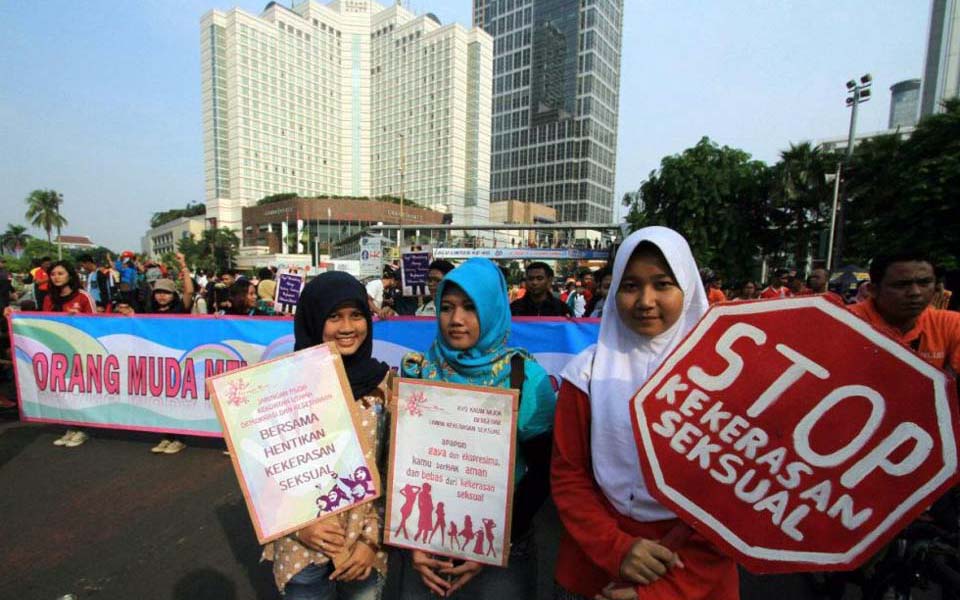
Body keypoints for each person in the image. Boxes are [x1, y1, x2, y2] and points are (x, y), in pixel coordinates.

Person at [552, 227, 738, 600]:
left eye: (663, 284)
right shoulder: (586, 374)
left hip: (693, 574)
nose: (645, 301)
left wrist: (660, 590)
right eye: (631, 285)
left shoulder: (728, 381)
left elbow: (735, 501)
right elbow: (568, 474)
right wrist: (616, 548)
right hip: (597, 568)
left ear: (687, 288)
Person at [397, 258, 557, 599]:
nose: (456, 320)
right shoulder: (417, 371)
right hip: (427, 547)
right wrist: (408, 538)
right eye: (447, 307)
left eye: (471, 308)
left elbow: (544, 471)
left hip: (502, 550)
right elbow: (403, 464)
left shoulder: (525, 378)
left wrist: (491, 541)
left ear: (493, 309)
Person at [262, 271, 391, 599]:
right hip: (302, 548)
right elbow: (264, 473)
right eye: (334, 316)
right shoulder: (284, 386)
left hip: (362, 546)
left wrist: (370, 541)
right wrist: (300, 525)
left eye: (356, 315)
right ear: (313, 319)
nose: (347, 327)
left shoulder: (383, 387)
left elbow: (393, 471)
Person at [850, 252, 960, 374]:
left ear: (936, 287)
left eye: (924, 283)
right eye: (901, 285)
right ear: (873, 290)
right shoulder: (844, 321)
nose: (915, 292)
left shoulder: (951, 324)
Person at [38, 261, 95, 448]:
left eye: (60, 273)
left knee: (79, 390)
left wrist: (79, 320)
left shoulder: (83, 296)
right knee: (63, 390)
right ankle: (70, 427)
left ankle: (82, 428)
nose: (56, 277)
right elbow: (43, 322)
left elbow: (97, 323)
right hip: (56, 350)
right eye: (53, 274)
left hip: (79, 350)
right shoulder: (48, 299)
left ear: (70, 275)